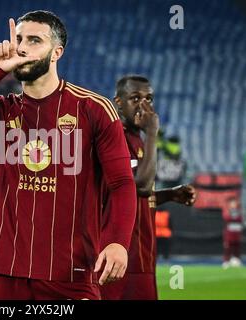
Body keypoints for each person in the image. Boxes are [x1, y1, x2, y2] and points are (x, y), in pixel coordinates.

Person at [0, 10, 137, 300]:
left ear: (57, 53)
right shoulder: (2, 110)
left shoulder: (93, 109)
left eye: (34, 40)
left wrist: (118, 242)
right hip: (8, 272)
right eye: (18, 39)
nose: (23, 47)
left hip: (71, 272)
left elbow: (122, 184)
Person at [100, 75, 196, 300]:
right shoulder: (116, 138)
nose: (144, 106)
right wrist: (152, 133)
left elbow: (134, 193)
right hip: (122, 257)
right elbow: (141, 186)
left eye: (149, 99)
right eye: (135, 98)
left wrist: (168, 194)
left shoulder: (137, 140)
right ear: (119, 102)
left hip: (141, 255)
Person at [222, 197, 243, 269]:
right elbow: (227, 218)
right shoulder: (227, 211)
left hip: (237, 232)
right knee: (228, 247)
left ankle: (236, 259)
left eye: (235, 203)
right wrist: (232, 216)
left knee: (237, 246)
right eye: (232, 203)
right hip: (229, 232)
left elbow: (240, 219)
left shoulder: (239, 211)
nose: (233, 204)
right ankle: (226, 261)